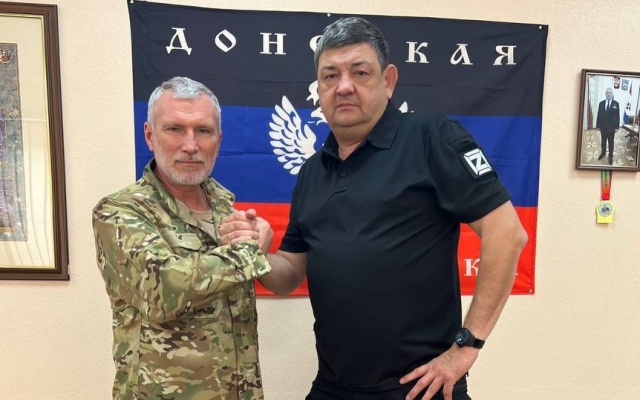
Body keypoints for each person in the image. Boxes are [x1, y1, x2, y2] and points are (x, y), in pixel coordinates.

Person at [222, 17, 527, 400]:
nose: (343, 86)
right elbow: (289, 275)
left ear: (388, 81)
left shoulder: (429, 136)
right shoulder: (313, 171)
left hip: (418, 388)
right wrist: (258, 254)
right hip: (333, 387)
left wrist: (467, 346)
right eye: (330, 76)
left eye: (360, 72)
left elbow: (507, 234)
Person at [92, 76, 273, 400]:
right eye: (175, 129)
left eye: (203, 131)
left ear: (218, 139)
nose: (190, 145)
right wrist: (249, 252)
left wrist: (258, 240)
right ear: (150, 135)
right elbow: (162, 289)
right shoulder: (118, 211)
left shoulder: (225, 208)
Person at [596, 87, 620, 165]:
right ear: (605, 94)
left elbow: (617, 116)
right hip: (603, 127)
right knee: (603, 142)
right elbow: (599, 115)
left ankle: (610, 156)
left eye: (610, 93)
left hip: (611, 128)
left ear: (612, 94)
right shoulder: (601, 103)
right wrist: (598, 125)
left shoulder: (616, 104)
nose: (608, 94)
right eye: (607, 93)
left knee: (611, 143)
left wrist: (617, 127)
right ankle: (603, 153)